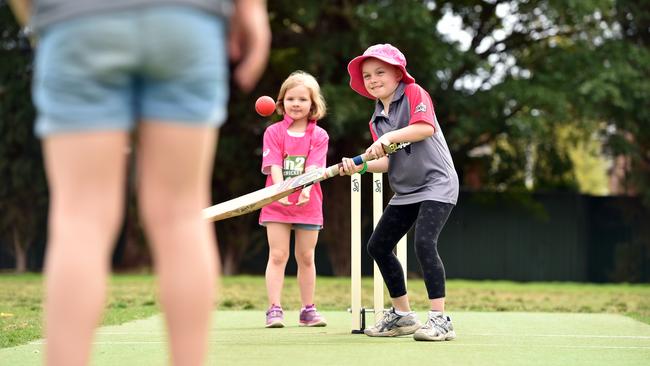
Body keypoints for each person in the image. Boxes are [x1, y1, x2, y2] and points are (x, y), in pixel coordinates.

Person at [8, 0, 270, 365]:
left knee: (80, 218)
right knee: (181, 215)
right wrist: (252, 9)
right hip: (185, 21)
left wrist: (40, 20)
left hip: (78, 21)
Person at [339, 44, 459, 341]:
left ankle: (440, 320)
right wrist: (361, 168)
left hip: (437, 182)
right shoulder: (376, 118)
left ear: (397, 74)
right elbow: (388, 160)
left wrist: (390, 136)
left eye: (380, 72)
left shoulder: (415, 94)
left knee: (424, 243)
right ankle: (403, 316)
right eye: (367, 75)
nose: (373, 79)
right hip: (406, 189)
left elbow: (424, 128)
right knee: (378, 245)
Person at [259, 71, 329, 328]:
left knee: (306, 257)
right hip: (277, 202)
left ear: (313, 104)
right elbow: (274, 165)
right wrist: (281, 192)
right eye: (290, 98)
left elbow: (314, 168)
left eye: (302, 99)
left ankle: (307, 310)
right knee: (277, 255)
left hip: (308, 203)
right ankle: (274, 309)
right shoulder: (273, 132)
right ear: (281, 102)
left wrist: (306, 191)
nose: (296, 103)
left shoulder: (319, 136)